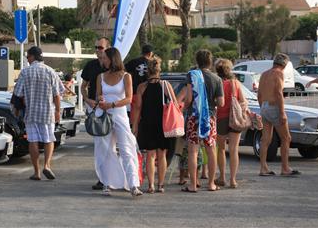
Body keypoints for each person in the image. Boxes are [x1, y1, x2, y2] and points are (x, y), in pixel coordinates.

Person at [95, 47, 142, 197]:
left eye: (105, 58)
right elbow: (98, 96)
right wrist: (101, 100)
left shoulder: (126, 76)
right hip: (104, 115)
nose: (102, 61)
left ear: (112, 59)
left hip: (120, 115)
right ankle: (107, 183)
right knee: (105, 150)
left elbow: (129, 98)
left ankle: (133, 184)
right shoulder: (100, 76)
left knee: (127, 149)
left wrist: (112, 104)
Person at [13, 46, 62, 181]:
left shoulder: (25, 72)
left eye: (28, 57)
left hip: (31, 112)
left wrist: (19, 107)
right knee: (49, 139)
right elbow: (57, 95)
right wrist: (58, 111)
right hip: (48, 113)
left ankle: (37, 172)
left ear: (33, 57)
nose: (27, 59)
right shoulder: (51, 72)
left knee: (33, 140)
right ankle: (47, 165)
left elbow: (18, 93)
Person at [132, 56, 176, 193]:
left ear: (147, 71)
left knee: (150, 155)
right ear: (159, 70)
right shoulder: (166, 85)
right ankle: (160, 185)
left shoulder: (142, 87)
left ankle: (150, 185)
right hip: (163, 124)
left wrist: (135, 126)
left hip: (147, 123)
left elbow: (138, 108)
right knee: (162, 155)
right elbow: (174, 104)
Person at [183, 49, 224, 193]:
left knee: (193, 151)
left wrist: (184, 107)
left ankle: (193, 185)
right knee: (211, 150)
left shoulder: (191, 75)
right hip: (210, 117)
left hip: (194, 116)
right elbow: (221, 102)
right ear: (210, 62)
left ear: (197, 61)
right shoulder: (217, 79)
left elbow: (188, 99)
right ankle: (211, 184)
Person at [258, 53, 300, 177]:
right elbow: (278, 94)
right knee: (286, 138)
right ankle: (285, 168)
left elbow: (259, 94)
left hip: (264, 106)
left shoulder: (264, 74)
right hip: (274, 107)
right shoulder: (279, 73)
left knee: (265, 139)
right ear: (285, 64)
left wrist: (262, 108)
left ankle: (263, 168)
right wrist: (282, 113)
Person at [80, 37, 110, 190]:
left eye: (101, 47)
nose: (98, 50)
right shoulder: (91, 66)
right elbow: (83, 86)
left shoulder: (113, 67)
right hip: (95, 108)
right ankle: (102, 178)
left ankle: (115, 178)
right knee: (100, 145)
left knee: (112, 146)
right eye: (96, 47)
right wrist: (87, 100)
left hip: (112, 110)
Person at [215, 59, 248, 189]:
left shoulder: (217, 83)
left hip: (221, 118)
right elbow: (243, 101)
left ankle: (222, 177)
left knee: (221, 149)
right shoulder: (236, 83)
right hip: (235, 118)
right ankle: (233, 180)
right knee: (234, 149)